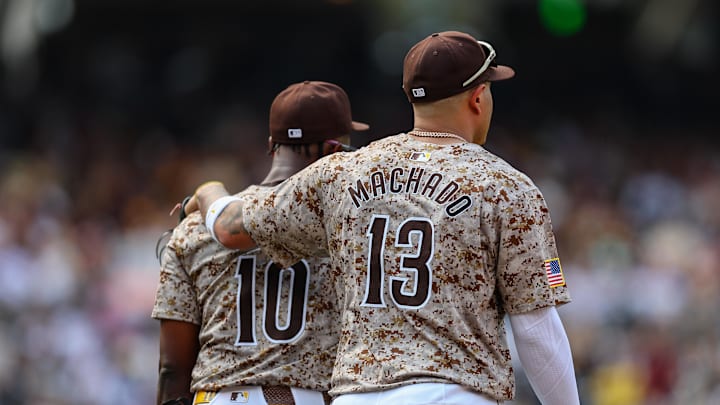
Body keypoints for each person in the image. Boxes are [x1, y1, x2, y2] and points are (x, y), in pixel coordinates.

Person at [187, 31, 580, 405]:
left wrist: (208, 191)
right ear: (478, 98)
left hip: (356, 394)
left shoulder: (342, 172)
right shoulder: (507, 186)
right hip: (454, 392)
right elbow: (536, 329)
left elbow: (228, 227)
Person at [152, 80, 369, 405]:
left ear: (271, 144)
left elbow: (172, 368)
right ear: (335, 150)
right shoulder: (348, 223)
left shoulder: (196, 227)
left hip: (215, 397)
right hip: (303, 397)